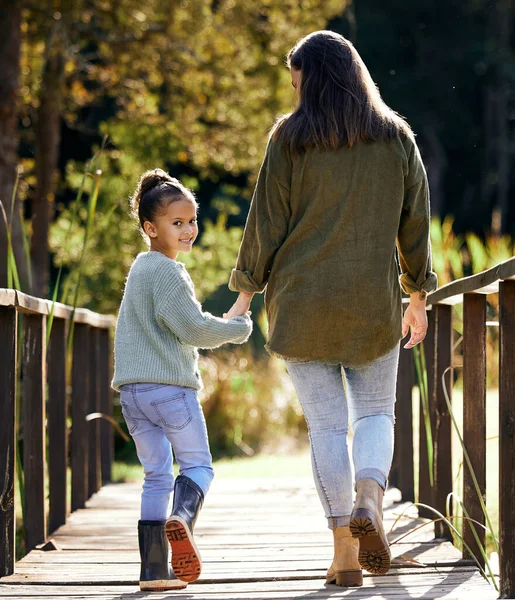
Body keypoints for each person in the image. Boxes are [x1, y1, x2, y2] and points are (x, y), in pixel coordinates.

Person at [225, 30, 437, 588]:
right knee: (375, 414)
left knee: (326, 427)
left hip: (302, 303)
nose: (296, 96)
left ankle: (344, 552)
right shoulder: (396, 138)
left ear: (313, 81)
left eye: (298, 84)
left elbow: (265, 220)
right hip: (372, 303)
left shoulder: (290, 139)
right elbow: (415, 224)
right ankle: (371, 494)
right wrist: (417, 294)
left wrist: (245, 293)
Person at [112, 169, 253, 591]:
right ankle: (183, 518)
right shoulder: (169, 273)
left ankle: (154, 571)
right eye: (178, 223)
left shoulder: (139, 270)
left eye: (192, 221)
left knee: (156, 476)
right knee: (198, 466)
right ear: (150, 228)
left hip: (133, 395)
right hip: (170, 390)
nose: (188, 230)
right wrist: (238, 328)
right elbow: (193, 329)